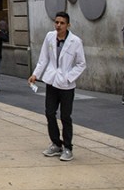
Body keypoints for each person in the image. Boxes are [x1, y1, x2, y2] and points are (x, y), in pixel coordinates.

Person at [28, 11, 86, 162]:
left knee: (65, 116)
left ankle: (68, 147)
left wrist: (69, 77)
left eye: (62, 23)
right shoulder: (49, 37)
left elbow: (81, 64)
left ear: (68, 25)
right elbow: (43, 58)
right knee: (49, 113)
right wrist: (35, 74)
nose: (58, 25)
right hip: (52, 81)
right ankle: (56, 143)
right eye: (56, 22)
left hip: (66, 85)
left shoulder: (75, 41)